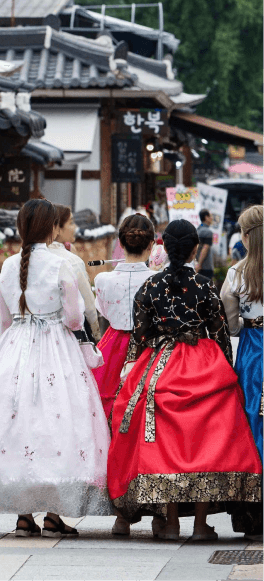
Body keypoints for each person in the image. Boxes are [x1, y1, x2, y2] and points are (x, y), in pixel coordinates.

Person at [0, 199, 112, 537]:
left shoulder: (9, 267)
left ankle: (24, 514)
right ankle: (54, 512)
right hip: (57, 350)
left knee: (19, 425)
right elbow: (73, 317)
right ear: (53, 228)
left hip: (15, 349)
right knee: (59, 425)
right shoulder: (60, 265)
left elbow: (5, 320)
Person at [107, 219, 262, 542]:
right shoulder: (204, 286)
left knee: (166, 442)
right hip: (202, 363)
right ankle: (201, 525)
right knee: (205, 441)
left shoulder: (149, 287)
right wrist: (227, 372)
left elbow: (141, 334)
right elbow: (220, 334)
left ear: (163, 247)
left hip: (161, 363)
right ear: (194, 249)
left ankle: (171, 521)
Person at [221, 204, 263, 539]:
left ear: (246, 236)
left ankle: (252, 506)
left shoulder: (237, 273)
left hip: (252, 349)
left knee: (251, 418)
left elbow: (231, 324)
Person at [92, 214, 155, 422]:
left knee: (107, 404)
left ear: (120, 243)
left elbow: (104, 311)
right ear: (151, 245)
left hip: (113, 344)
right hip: (149, 346)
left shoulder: (103, 279)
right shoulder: (158, 280)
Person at [48, 204, 100, 342]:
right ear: (57, 228)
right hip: (70, 335)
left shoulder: (25, 258)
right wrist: (96, 332)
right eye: (71, 223)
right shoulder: (71, 260)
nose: (75, 228)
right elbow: (88, 303)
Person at [195, 208, 214, 279]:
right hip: (205, 267)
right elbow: (205, 249)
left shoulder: (197, 230)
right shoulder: (207, 232)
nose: (212, 218)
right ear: (206, 217)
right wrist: (199, 265)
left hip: (196, 265)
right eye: (210, 216)